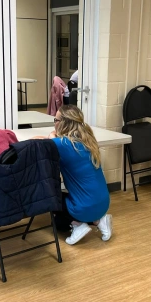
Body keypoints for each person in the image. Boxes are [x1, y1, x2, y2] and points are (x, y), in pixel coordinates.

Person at [46, 105, 112, 245]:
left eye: (55, 120)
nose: (54, 123)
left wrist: (52, 135)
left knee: (49, 197)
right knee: (63, 217)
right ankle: (99, 220)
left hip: (83, 208)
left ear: (62, 123)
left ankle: (77, 224)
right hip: (104, 203)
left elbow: (48, 141)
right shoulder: (88, 140)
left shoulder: (61, 143)